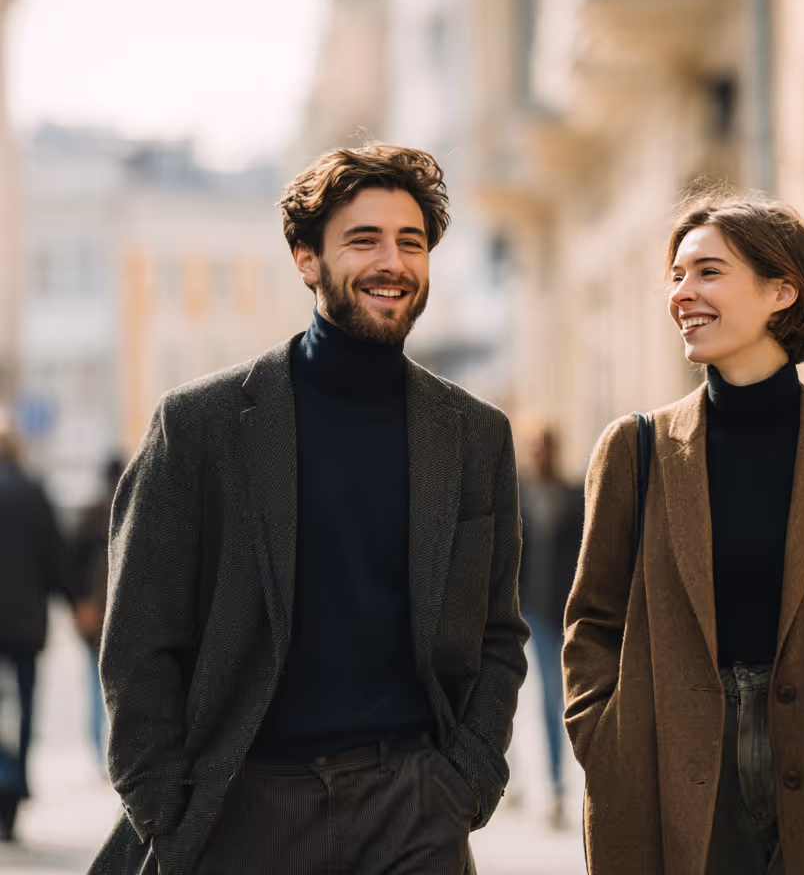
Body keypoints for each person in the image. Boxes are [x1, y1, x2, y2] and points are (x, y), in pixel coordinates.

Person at [91, 144, 529, 875]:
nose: (392, 262)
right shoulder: (201, 425)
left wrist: (467, 779)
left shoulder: (476, 436)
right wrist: (165, 806)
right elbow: (138, 639)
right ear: (305, 258)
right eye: (364, 240)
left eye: (410, 242)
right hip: (243, 806)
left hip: (413, 808)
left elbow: (498, 633)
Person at [563, 189, 804, 875]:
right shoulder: (634, 449)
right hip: (668, 766)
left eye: (708, 271)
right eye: (677, 275)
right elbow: (592, 621)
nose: (683, 292)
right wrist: (606, 739)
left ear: (781, 291)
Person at [0, 415, 77, 841]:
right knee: (25, 707)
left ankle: (3, 779)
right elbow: (56, 557)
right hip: (27, 624)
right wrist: (76, 601)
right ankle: (14, 788)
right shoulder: (33, 493)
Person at [517, 426, 583, 828]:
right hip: (528, 611)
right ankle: (520, 779)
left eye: (547, 447)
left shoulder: (574, 496)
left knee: (556, 698)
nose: (541, 454)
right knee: (522, 694)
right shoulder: (517, 495)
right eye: (535, 448)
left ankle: (557, 787)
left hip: (564, 610)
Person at [70, 454, 124, 766]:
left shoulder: (91, 514)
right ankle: (107, 749)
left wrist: (79, 603)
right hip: (114, 611)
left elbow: (71, 562)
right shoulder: (136, 507)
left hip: (96, 611)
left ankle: (99, 750)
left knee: (95, 680)